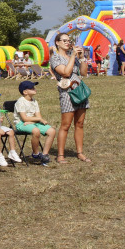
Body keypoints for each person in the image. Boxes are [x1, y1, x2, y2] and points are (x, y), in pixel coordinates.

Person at [49, 32, 91, 163]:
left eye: (69, 41)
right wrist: (73, 56)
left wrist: (82, 57)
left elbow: (83, 73)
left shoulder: (73, 57)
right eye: (65, 40)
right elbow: (66, 73)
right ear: (58, 42)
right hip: (67, 92)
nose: (68, 43)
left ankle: (80, 153)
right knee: (65, 125)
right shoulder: (55, 58)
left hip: (79, 90)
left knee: (80, 123)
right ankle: (60, 155)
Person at [14, 81, 56, 165]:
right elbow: (24, 118)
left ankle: (44, 154)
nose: (34, 89)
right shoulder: (20, 102)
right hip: (21, 123)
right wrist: (37, 120)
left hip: (32, 122)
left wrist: (35, 120)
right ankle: (36, 153)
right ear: (25, 92)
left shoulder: (34, 101)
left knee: (52, 131)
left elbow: (38, 116)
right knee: (36, 131)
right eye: (32, 88)